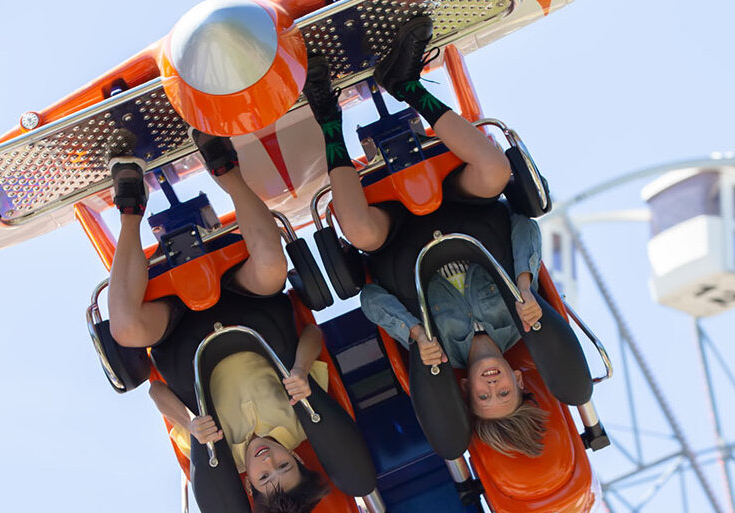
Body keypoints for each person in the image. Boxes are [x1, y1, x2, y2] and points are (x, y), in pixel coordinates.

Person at [303, 15, 588, 458]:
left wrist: (416, 333)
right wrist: (525, 283)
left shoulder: (437, 353)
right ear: (517, 380)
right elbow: (522, 226)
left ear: (466, 389)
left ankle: (327, 119)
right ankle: (407, 85)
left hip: (398, 239)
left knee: (357, 229)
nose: (492, 387)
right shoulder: (521, 321)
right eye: (504, 393)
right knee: (495, 171)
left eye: (483, 397)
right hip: (466, 210)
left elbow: (371, 301)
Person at [104, 128, 362, 512]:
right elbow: (309, 332)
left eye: (263, 476)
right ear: (300, 459)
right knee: (274, 268)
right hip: (248, 306)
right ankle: (226, 170)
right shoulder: (302, 421)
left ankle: (129, 207)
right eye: (282, 466)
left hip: (182, 333)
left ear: (250, 485)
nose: (266, 461)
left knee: (125, 330)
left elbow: (156, 392)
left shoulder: (214, 452)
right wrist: (301, 371)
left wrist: (191, 421)